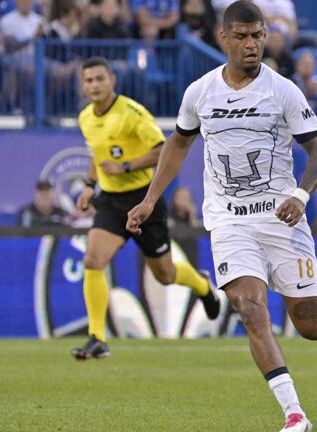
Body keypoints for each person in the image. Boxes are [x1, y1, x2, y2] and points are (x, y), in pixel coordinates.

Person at [125, 3, 317, 431]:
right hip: (229, 219)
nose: (251, 43)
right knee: (249, 306)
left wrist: (300, 194)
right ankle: (295, 414)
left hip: (282, 218)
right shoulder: (200, 92)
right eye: (242, 36)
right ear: (223, 38)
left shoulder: (284, 91)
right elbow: (177, 144)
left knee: (311, 324)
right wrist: (149, 199)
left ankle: (310, 297)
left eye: (258, 35)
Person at [71, 56, 220, 361]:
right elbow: (96, 155)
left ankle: (202, 285)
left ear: (112, 79)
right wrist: (89, 185)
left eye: (100, 78)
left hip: (143, 199)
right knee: (93, 259)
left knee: (164, 275)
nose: (95, 85)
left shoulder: (132, 114)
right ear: (83, 86)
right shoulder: (86, 117)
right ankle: (97, 338)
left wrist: (125, 166)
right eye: (89, 80)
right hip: (111, 202)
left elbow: (162, 150)